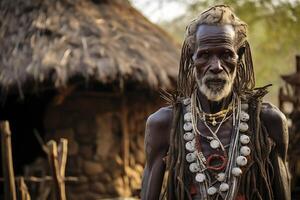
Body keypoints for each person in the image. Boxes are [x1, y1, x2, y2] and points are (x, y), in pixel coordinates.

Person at [141, 5, 291, 200]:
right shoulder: (164, 124)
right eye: (204, 55)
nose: (216, 67)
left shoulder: (268, 121)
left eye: (226, 54)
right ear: (191, 57)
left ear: (240, 56)